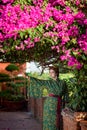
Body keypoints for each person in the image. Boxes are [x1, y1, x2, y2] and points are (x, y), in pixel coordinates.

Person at [27, 65, 68, 130]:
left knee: (57, 120)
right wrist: (30, 78)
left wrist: (66, 105)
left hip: (59, 103)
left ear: (56, 73)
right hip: (49, 104)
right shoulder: (48, 82)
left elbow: (66, 93)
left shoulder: (63, 83)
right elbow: (39, 82)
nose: (50, 74)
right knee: (48, 120)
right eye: (50, 72)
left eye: (52, 72)